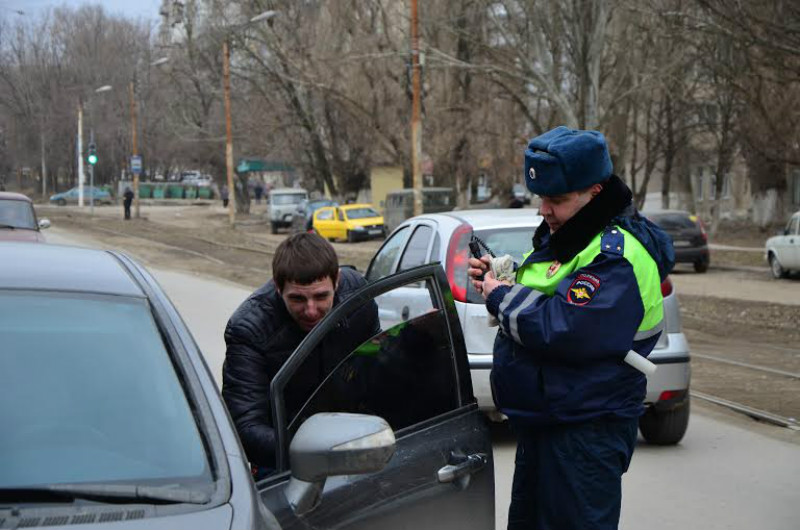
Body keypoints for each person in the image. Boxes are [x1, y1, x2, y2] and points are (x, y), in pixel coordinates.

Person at [468, 126, 673, 530]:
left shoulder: (617, 254)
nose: (544, 209)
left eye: (556, 200)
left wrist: (498, 297)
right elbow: (544, 297)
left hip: (585, 433)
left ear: (594, 193)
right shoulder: (568, 238)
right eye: (542, 198)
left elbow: (565, 327)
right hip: (547, 423)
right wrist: (501, 281)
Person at [222, 233, 379, 478]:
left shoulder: (357, 297)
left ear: (336, 281)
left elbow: (376, 363)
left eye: (321, 296)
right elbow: (247, 428)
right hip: (283, 458)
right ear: (277, 286)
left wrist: (417, 338)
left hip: (355, 441)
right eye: (297, 298)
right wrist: (319, 449)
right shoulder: (249, 329)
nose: (311, 310)